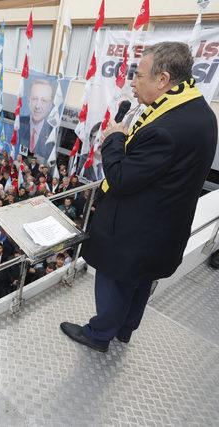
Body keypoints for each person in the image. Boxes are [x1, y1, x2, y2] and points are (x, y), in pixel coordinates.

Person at [61, 42, 218, 352]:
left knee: (115, 282)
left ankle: (99, 334)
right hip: (162, 229)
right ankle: (124, 330)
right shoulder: (200, 111)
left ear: (163, 79)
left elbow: (120, 178)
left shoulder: (168, 128)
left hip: (135, 231)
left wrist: (114, 138)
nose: (132, 82)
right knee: (139, 282)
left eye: (139, 75)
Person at [18, 79, 55, 162]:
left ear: (50, 106)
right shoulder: (20, 123)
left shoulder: (51, 133)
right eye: (35, 99)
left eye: (43, 100)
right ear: (29, 101)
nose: (37, 106)